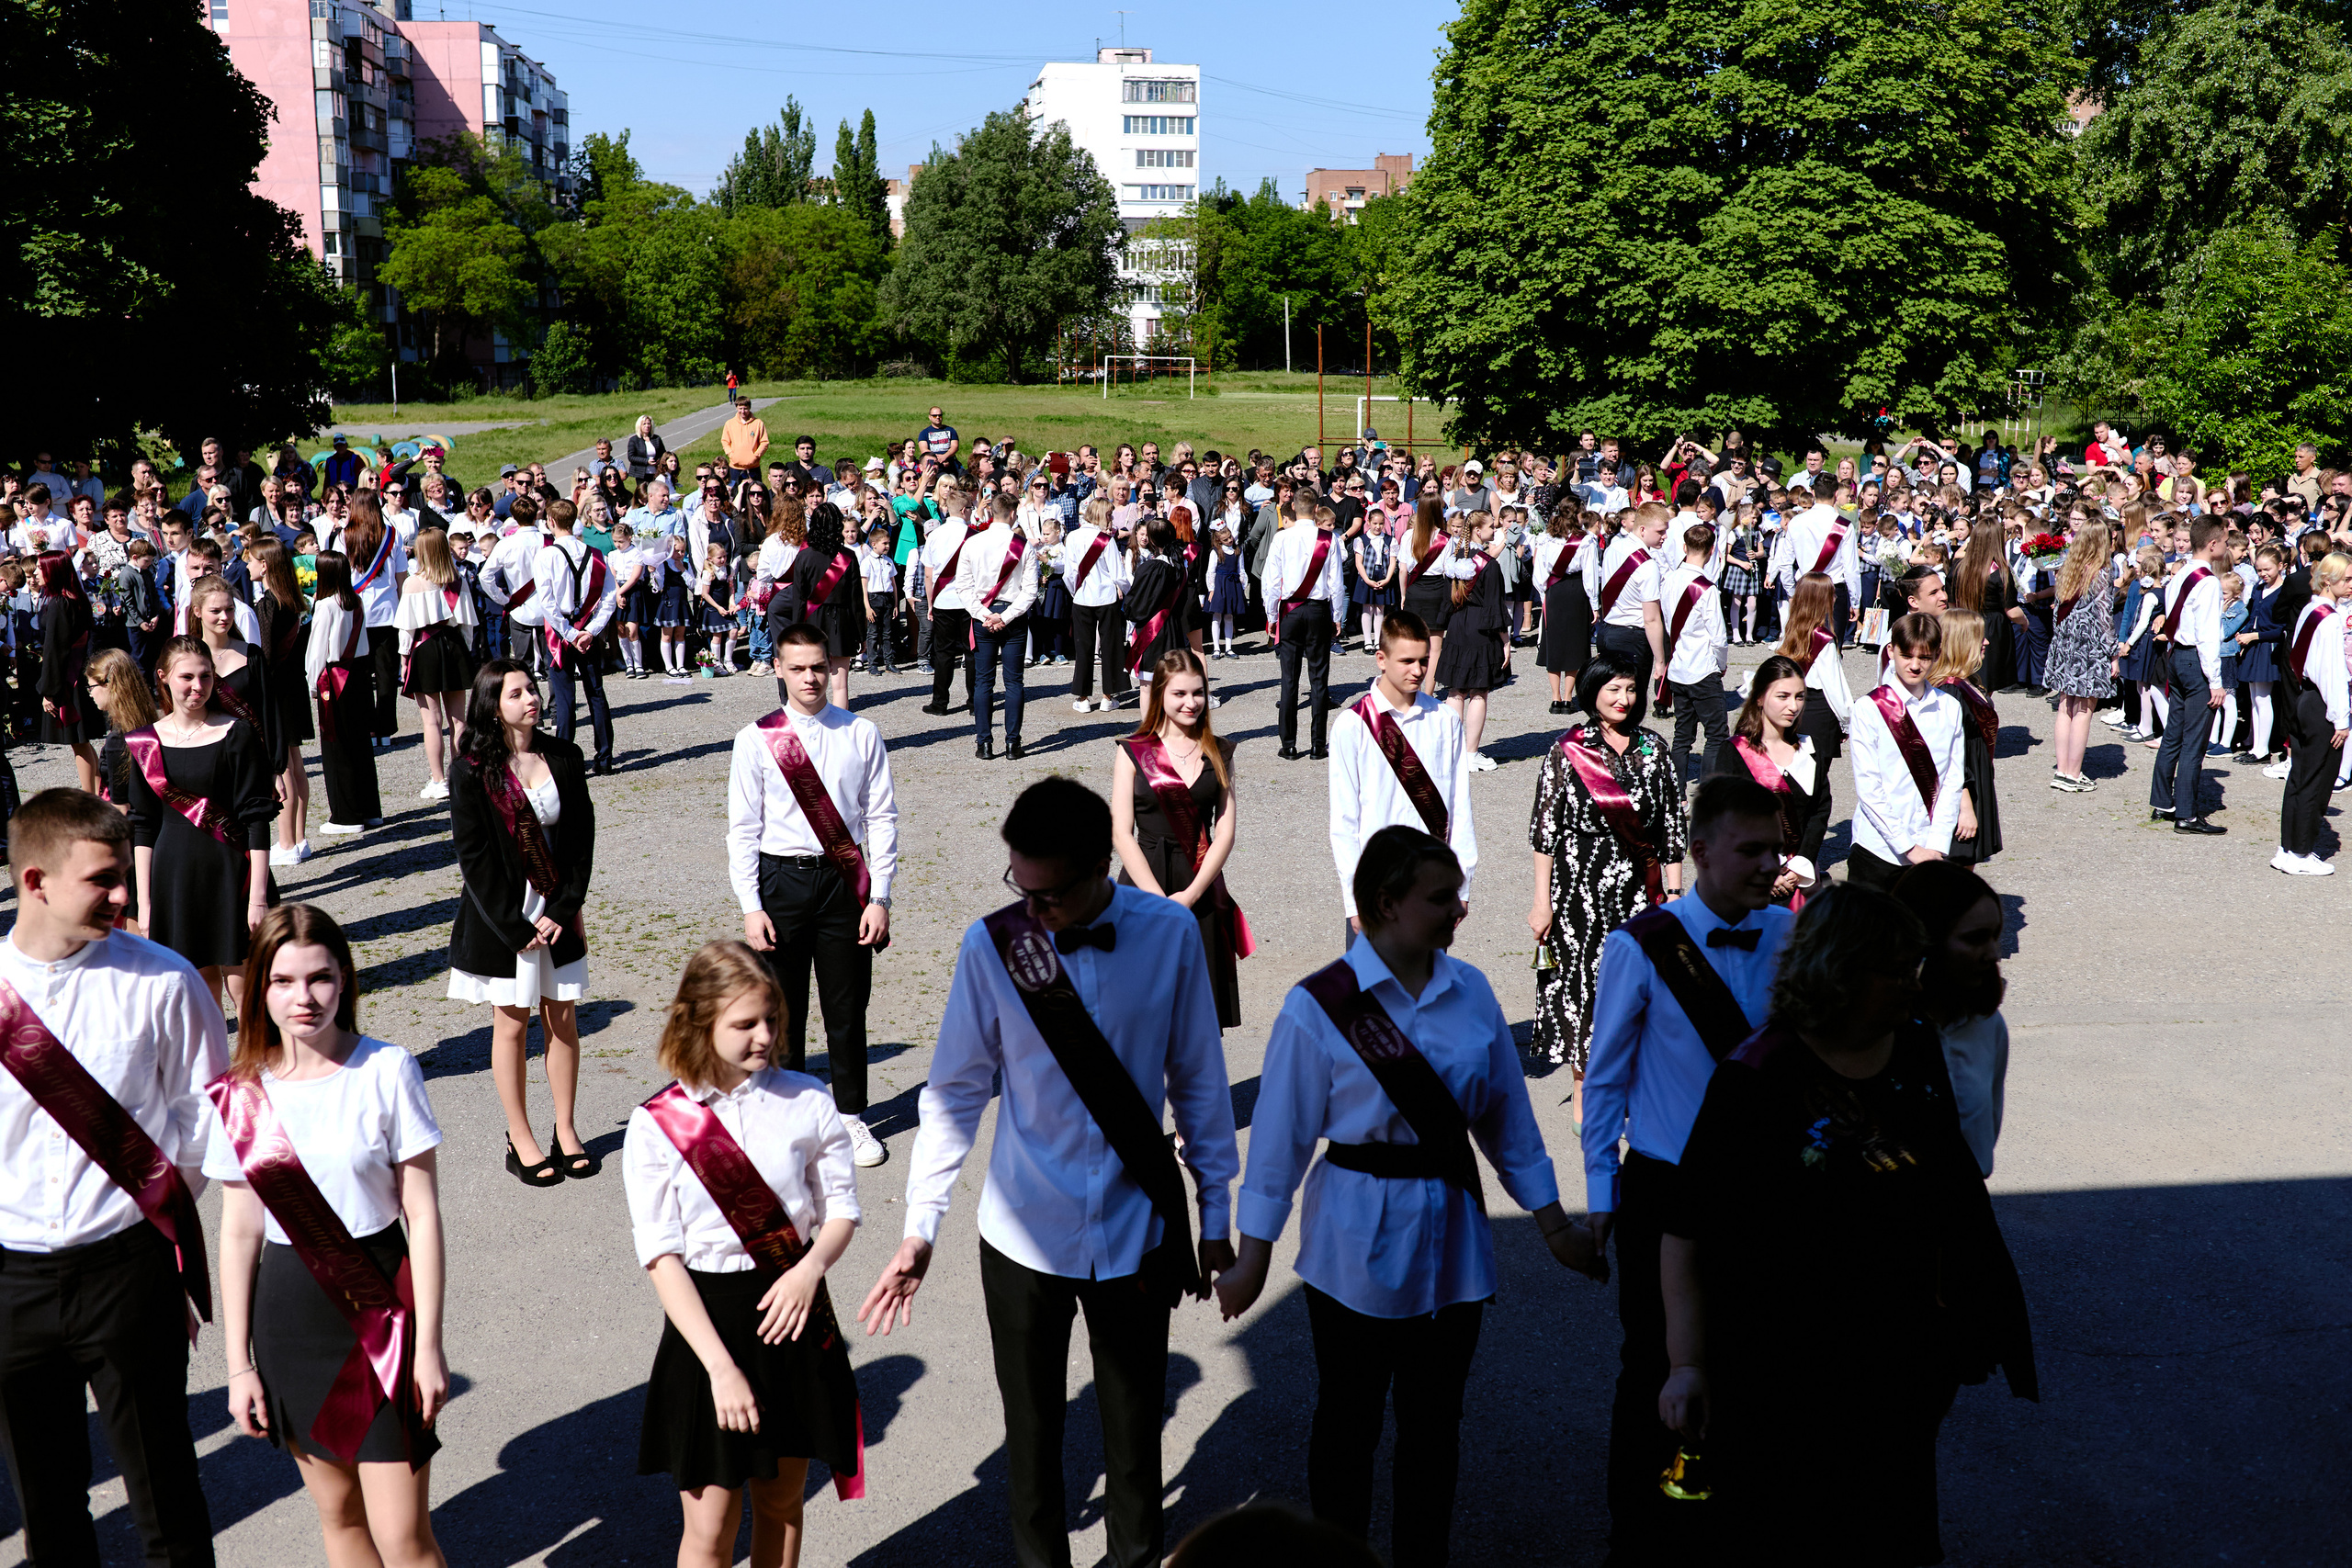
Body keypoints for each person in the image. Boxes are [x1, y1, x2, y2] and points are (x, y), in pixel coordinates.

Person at [858, 777, 1240, 1568]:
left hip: (1136, 1230)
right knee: (1031, 1441)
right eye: (1018, 887)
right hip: (1021, 1234)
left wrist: (1215, 1215)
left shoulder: (1169, 935)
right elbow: (955, 1094)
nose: (1030, 909)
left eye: (1050, 894)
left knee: (1135, 1440)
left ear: (1103, 862)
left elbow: (1200, 1083)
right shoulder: (990, 945)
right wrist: (919, 1228)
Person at [1214, 826, 1601, 1567]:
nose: (1459, 909)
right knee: (1347, 1429)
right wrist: (1252, 1259)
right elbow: (1276, 1150)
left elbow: (1508, 1126)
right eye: (1441, 898)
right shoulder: (1318, 1006)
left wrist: (1556, 1228)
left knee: (1434, 1431)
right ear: (1387, 904)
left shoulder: (1473, 991)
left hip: (1452, 1245)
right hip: (1351, 1249)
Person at [1657, 887, 2037, 1564]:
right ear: (1843, 971)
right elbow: (1685, 1231)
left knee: (1896, 1537)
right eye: (1897, 969)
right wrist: (1687, 1364)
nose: (1913, 984)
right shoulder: (1756, 1077)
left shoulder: (1916, 1043)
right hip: (1784, 1376)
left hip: (1902, 1366)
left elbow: (1950, 1182)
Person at [0, 788, 228, 1567]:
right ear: (36, 882)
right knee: (50, 1506)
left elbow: (206, 1119)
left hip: (128, 1269)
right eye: (103, 879)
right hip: (11, 1282)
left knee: (167, 1496)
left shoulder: (165, 981)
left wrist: (159, 1217)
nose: (126, 893)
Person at [1579, 774, 1796, 1565]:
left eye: (1775, 846)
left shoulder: (1788, 935)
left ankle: (1731, 1516)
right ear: (1699, 853)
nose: (1768, 863)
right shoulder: (1640, 944)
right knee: (1653, 1363)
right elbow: (1604, 1077)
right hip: (1665, 1185)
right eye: (1750, 849)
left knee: (1750, 1353)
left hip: (1765, 1185)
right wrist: (1601, 1192)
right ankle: (1638, 1526)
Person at [209, 905, 450, 1568]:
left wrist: (428, 1345)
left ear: (344, 979)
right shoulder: (241, 1092)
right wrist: (238, 1365)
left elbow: (422, 1216)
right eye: (283, 980)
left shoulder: (387, 1068)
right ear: (259, 987)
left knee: (404, 1536)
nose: (303, 997)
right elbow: (238, 1234)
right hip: (289, 1315)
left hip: (379, 1307)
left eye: (319, 978)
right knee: (340, 1518)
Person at [625, 941, 865, 1568]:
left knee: (783, 1503)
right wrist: (720, 1368)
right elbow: (661, 1255)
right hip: (708, 1326)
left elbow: (841, 1208)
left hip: (793, 1309)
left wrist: (811, 1269)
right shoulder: (656, 1123)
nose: (765, 1036)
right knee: (710, 1526)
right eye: (745, 1024)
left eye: (773, 1020)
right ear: (699, 1021)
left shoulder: (808, 1100)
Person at [728, 625, 898, 1169]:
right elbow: (743, 830)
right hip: (782, 882)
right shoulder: (755, 739)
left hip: (846, 883)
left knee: (848, 1007)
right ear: (777, 668)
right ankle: (786, 1116)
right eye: (798, 667)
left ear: (832, 667)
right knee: (781, 1010)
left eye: (818, 667)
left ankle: (850, 1114)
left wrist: (881, 897)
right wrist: (751, 906)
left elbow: (881, 818)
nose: (809, 677)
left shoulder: (861, 732)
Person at [447, 660, 597, 1186]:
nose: (531, 698)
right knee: (511, 1025)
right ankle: (521, 1135)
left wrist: (562, 908)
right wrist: (516, 927)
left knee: (563, 1020)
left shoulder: (565, 755)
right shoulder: (470, 769)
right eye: (516, 693)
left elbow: (581, 842)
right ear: (493, 704)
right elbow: (474, 858)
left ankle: (566, 1127)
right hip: (502, 917)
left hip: (558, 910)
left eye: (532, 688)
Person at [1528, 656, 1687, 1091]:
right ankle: (1584, 1086)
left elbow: (1672, 826)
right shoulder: (1567, 750)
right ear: (1593, 692)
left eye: (1631, 690)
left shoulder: (1654, 749)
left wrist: (1674, 893)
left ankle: (1635, 1079)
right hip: (1579, 891)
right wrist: (1542, 902)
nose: (1624, 699)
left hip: (1641, 890)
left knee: (1638, 985)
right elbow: (1545, 832)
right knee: (1585, 985)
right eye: (1614, 689)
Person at [126, 636, 279, 1012]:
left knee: (248, 992)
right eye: (187, 677)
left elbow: (256, 819)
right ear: (163, 678)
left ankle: (259, 1070)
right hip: (174, 880)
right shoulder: (146, 742)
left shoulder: (236, 733)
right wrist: (144, 904)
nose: (198, 687)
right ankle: (212, 1072)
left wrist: (257, 897)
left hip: (232, 874)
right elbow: (142, 826)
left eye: (207, 677)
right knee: (198, 997)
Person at [1112, 649, 1247, 1029]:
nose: (1192, 703)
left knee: (1197, 1013)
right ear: (1160, 696)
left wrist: (1189, 896)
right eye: (1180, 694)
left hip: (1198, 886)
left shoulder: (1220, 752)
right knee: (1139, 1010)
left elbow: (1226, 832)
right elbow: (1122, 834)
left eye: (1198, 693)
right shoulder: (1133, 752)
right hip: (1143, 886)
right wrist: (1158, 900)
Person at [1329, 612, 1477, 952]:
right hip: (1377, 885)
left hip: (1431, 883)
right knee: (1371, 1000)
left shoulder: (1444, 720)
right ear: (1381, 659)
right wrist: (1355, 902)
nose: (1418, 671)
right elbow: (1344, 821)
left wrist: (1463, 886)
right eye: (1407, 661)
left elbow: (1459, 806)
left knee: (1429, 996)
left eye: (1424, 661)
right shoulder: (1352, 726)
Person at [1890, 862, 2011, 1174]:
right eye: (1976, 938)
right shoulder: (1878, 1030)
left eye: (1995, 936)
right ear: (1925, 938)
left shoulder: (1987, 1026)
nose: (1994, 954)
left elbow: (1986, 1133)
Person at [1849, 611, 1965, 892]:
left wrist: (1936, 844)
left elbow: (1952, 780)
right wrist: (1908, 846)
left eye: (1924, 657)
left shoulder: (1949, 708)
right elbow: (1869, 787)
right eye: (1907, 655)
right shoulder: (1869, 708)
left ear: (1937, 655)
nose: (1914, 665)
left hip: (1929, 847)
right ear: (1891, 651)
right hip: (1877, 847)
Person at [1704, 654, 1828, 904]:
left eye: (1799, 697)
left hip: (1799, 880)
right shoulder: (1735, 752)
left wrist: (1801, 863)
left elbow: (1819, 811)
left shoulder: (1810, 749)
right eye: (1783, 696)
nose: (1793, 706)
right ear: (1760, 697)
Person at [2151, 515, 2233, 834]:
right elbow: (2208, 635)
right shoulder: (2209, 581)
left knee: (2173, 732)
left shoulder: (2182, 570)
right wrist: (2216, 681)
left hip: (2176, 655)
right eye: (2224, 542)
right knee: (2194, 741)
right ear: (2212, 544)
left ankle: (2162, 801)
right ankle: (2186, 813)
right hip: (2195, 660)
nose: (2225, 547)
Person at [2274, 552, 2350, 874]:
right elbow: (2332, 672)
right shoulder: (2330, 618)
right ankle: (2301, 853)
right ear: (2328, 580)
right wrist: (2342, 718)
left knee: (2298, 777)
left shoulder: (2310, 609)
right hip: (2321, 702)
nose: (2351, 585)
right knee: (2316, 780)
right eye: (2346, 579)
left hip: (2305, 697)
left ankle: (2288, 848)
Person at [534, 499, 618, 776]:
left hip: (562, 633)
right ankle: (604, 757)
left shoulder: (546, 556)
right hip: (588, 631)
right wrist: (590, 631)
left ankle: (565, 761)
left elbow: (547, 603)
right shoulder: (595, 554)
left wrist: (570, 633)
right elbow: (609, 599)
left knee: (565, 696)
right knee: (596, 693)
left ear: (551, 522)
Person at [953, 491, 1039, 760]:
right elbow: (1030, 591)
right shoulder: (1023, 546)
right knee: (1014, 682)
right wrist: (1006, 616)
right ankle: (1013, 744)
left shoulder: (972, 543)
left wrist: (983, 614)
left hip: (983, 618)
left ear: (990, 512)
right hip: (1011, 617)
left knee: (983, 683)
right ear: (1013, 514)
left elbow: (963, 588)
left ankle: (985, 744)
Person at [397, 527, 479, 802]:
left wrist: (404, 658)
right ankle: (462, 774)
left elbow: (406, 630)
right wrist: (463, 651)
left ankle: (438, 779)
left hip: (425, 649)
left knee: (431, 721)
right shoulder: (457, 579)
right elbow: (468, 624)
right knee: (459, 719)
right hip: (454, 646)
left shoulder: (413, 583)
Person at [325, 491, 411, 752]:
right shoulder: (392, 536)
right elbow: (401, 578)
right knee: (386, 677)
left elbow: (338, 579)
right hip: (387, 615)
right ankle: (384, 730)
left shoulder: (342, 537)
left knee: (360, 676)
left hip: (356, 615)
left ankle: (365, 728)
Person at [305, 551, 383, 835]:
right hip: (359, 677)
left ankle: (347, 816)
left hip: (335, 679)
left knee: (337, 748)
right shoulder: (356, 601)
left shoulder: (325, 605)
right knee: (361, 746)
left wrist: (313, 684)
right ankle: (371, 810)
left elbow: (317, 652)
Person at [251, 538, 315, 865]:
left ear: (264, 565)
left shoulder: (268, 604)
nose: (247, 564)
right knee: (295, 761)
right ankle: (299, 837)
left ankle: (287, 841)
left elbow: (263, 654)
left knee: (284, 765)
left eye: (251, 559)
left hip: (276, 689)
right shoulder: (293, 600)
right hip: (293, 685)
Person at [1268, 497, 1347, 761]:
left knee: (1289, 680)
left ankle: (1288, 745)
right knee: (1319, 679)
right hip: (1317, 610)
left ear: (1293, 510)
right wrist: (1337, 616)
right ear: (1316, 510)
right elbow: (1336, 583)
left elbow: (1271, 582)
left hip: (1290, 610)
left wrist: (1270, 615)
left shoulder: (1282, 538)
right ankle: (1317, 744)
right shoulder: (1329, 538)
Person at [1433, 510, 1508, 770]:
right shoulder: (1490, 565)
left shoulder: (1455, 558)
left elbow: (1446, 599)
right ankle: (1470, 753)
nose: (1494, 529)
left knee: (1455, 690)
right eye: (1491, 526)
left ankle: (1453, 752)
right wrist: (1506, 640)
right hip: (1480, 630)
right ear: (1478, 531)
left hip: (1456, 626)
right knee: (1478, 691)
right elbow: (1494, 605)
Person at [2045, 522, 2117, 793]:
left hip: (2065, 641)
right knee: (2084, 709)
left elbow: (2056, 611)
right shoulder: (2100, 572)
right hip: (2089, 645)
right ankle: (2073, 774)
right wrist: (2113, 653)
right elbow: (2103, 617)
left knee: (2066, 705)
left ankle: (2062, 770)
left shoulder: (2066, 568)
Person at [1660, 521, 1730, 793]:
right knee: (1716, 734)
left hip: (1677, 666)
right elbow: (1719, 637)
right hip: (1702, 667)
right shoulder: (1707, 589)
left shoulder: (1668, 579)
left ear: (1684, 547)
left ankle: (1677, 794)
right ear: (1712, 551)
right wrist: (1721, 665)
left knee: (1682, 736)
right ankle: (1707, 793)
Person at [1932, 608, 2004, 867]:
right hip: (1963, 785)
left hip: (1977, 773)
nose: (1986, 642)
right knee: (1957, 863)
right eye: (1980, 637)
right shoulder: (1950, 691)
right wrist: (1964, 806)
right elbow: (1949, 756)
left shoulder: (1968, 680)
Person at [779, 502, 865, 713]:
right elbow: (856, 600)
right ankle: (840, 736)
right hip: (841, 622)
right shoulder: (848, 556)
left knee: (810, 683)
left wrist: (795, 632)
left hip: (812, 622)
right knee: (840, 685)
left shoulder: (804, 556)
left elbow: (798, 599)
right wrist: (862, 634)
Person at [1592, 502, 1669, 730]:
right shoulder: (1647, 565)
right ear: (1642, 529)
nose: (1665, 537)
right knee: (1629, 705)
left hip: (1608, 631)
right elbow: (1652, 619)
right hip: (1633, 638)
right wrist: (1660, 660)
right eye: (1660, 531)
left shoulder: (1615, 546)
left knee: (1609, 699)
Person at [35, 548, 104, 794]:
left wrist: (49, 691)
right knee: (81, 742)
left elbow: (55, 651)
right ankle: (98, 791)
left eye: (40, 568)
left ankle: (90, 797)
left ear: (53, 571)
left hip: (67, 681)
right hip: (76, 676)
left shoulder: (59, 604)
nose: (35, 573)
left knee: (78, 742)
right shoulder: (75, 598)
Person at [1771, 570, 1853, 762]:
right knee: (1817, 780)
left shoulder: (1791, 631)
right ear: (1820, 599)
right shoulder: (1823, 638)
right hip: (1820, 713)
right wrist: (1846, 720)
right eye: (1831, 593)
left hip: (1796, 707)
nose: (1835, 598)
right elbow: (1834, 686)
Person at [1065, 492, 1133, 712]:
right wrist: (1125, 590)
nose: (1112, 519)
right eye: (1110, 515)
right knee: (1111, 646)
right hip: (1106, 598)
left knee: (1083, 647)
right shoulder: (1107, 540)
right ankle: (1107, 697)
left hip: (1082, 598)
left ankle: (1083, 699)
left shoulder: (1072, 537)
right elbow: (1119, 574)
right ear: (1102, 515)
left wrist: (1076, 592)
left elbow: (1069, 573)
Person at [919, 479, 979, 717]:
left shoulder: (935, 535)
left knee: (943, 654)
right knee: (972, 652)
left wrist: (931, 604)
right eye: (971, 509)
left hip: (943, 600)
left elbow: (929, 574)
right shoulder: (974, 536)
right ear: (963, 510)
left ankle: (940, 703)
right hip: (968, 602)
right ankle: (975, 702)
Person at [1533, 499, 1596, 714]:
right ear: (1577, 514)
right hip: (1577, 592)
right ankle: (1568, 699)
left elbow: (1539, 574)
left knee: (1555, 644)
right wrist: (1594, 604)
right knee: (1574, 645)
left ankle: (1555, 698)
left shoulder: (1545, 539)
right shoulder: (1586, 540)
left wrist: (1545, 594)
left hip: (1554, 591)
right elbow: (1590, 575)